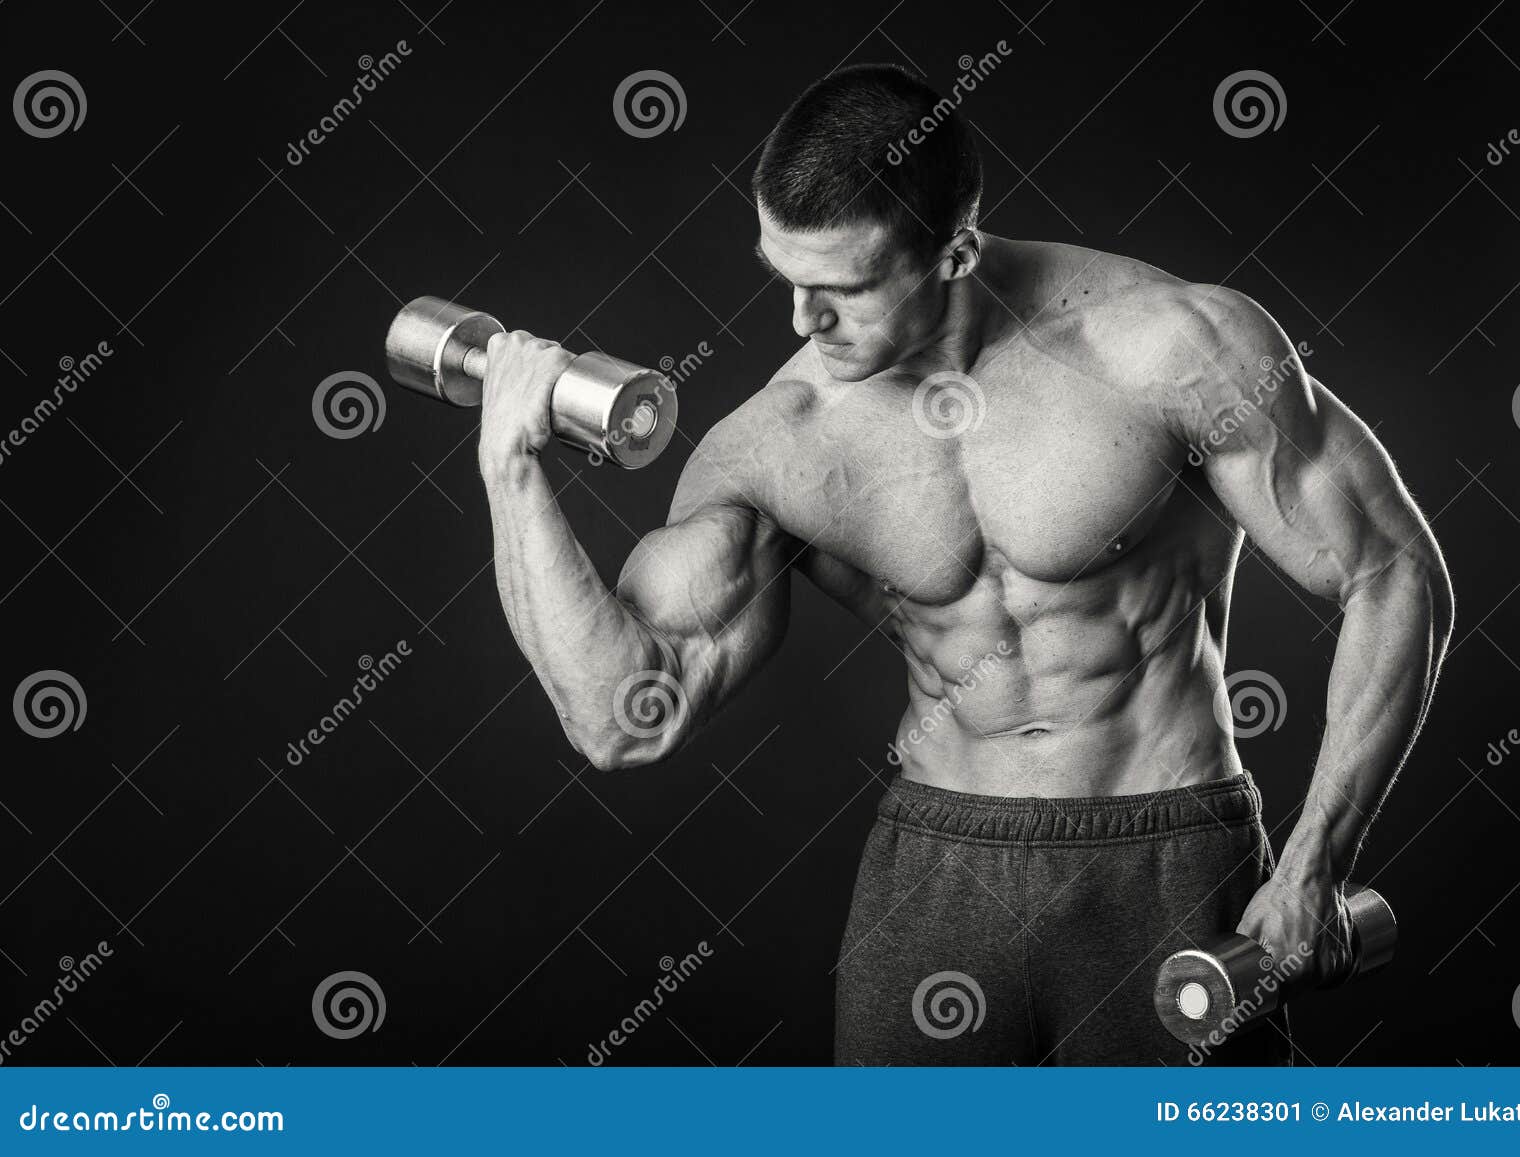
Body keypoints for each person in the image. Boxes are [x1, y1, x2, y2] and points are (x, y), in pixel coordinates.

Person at [475, 63, 1453, 1064]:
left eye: (843, 290)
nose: (801, 324)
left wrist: (1316, 862)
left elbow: (1391, 573)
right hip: (937, 878)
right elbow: (621, 718)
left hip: (1165, 853)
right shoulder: (783, 442)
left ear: (955, 253)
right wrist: (510, 469)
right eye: (785, 279)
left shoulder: (1171, 350)